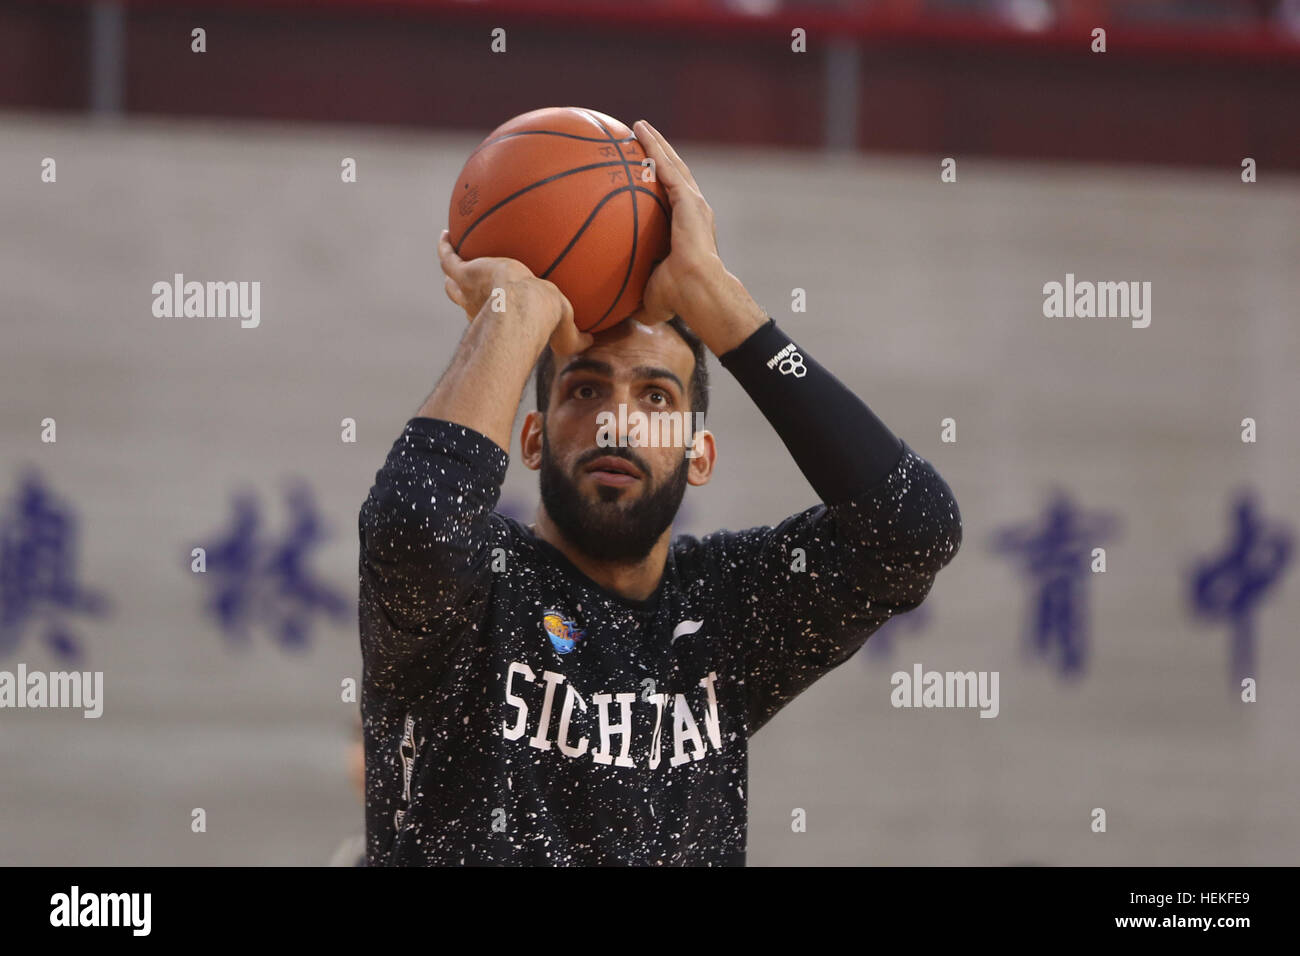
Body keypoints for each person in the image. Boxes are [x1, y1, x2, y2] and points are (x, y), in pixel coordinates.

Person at [357, 119, 961, 866]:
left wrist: (721, 305)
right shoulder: (478, 596)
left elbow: (913, 528)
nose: (616, 423)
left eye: (656, 398)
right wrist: (515, 313)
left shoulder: (726, 610)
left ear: (698, 454)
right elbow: (418, 525)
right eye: (584, 390)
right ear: (535, 437)